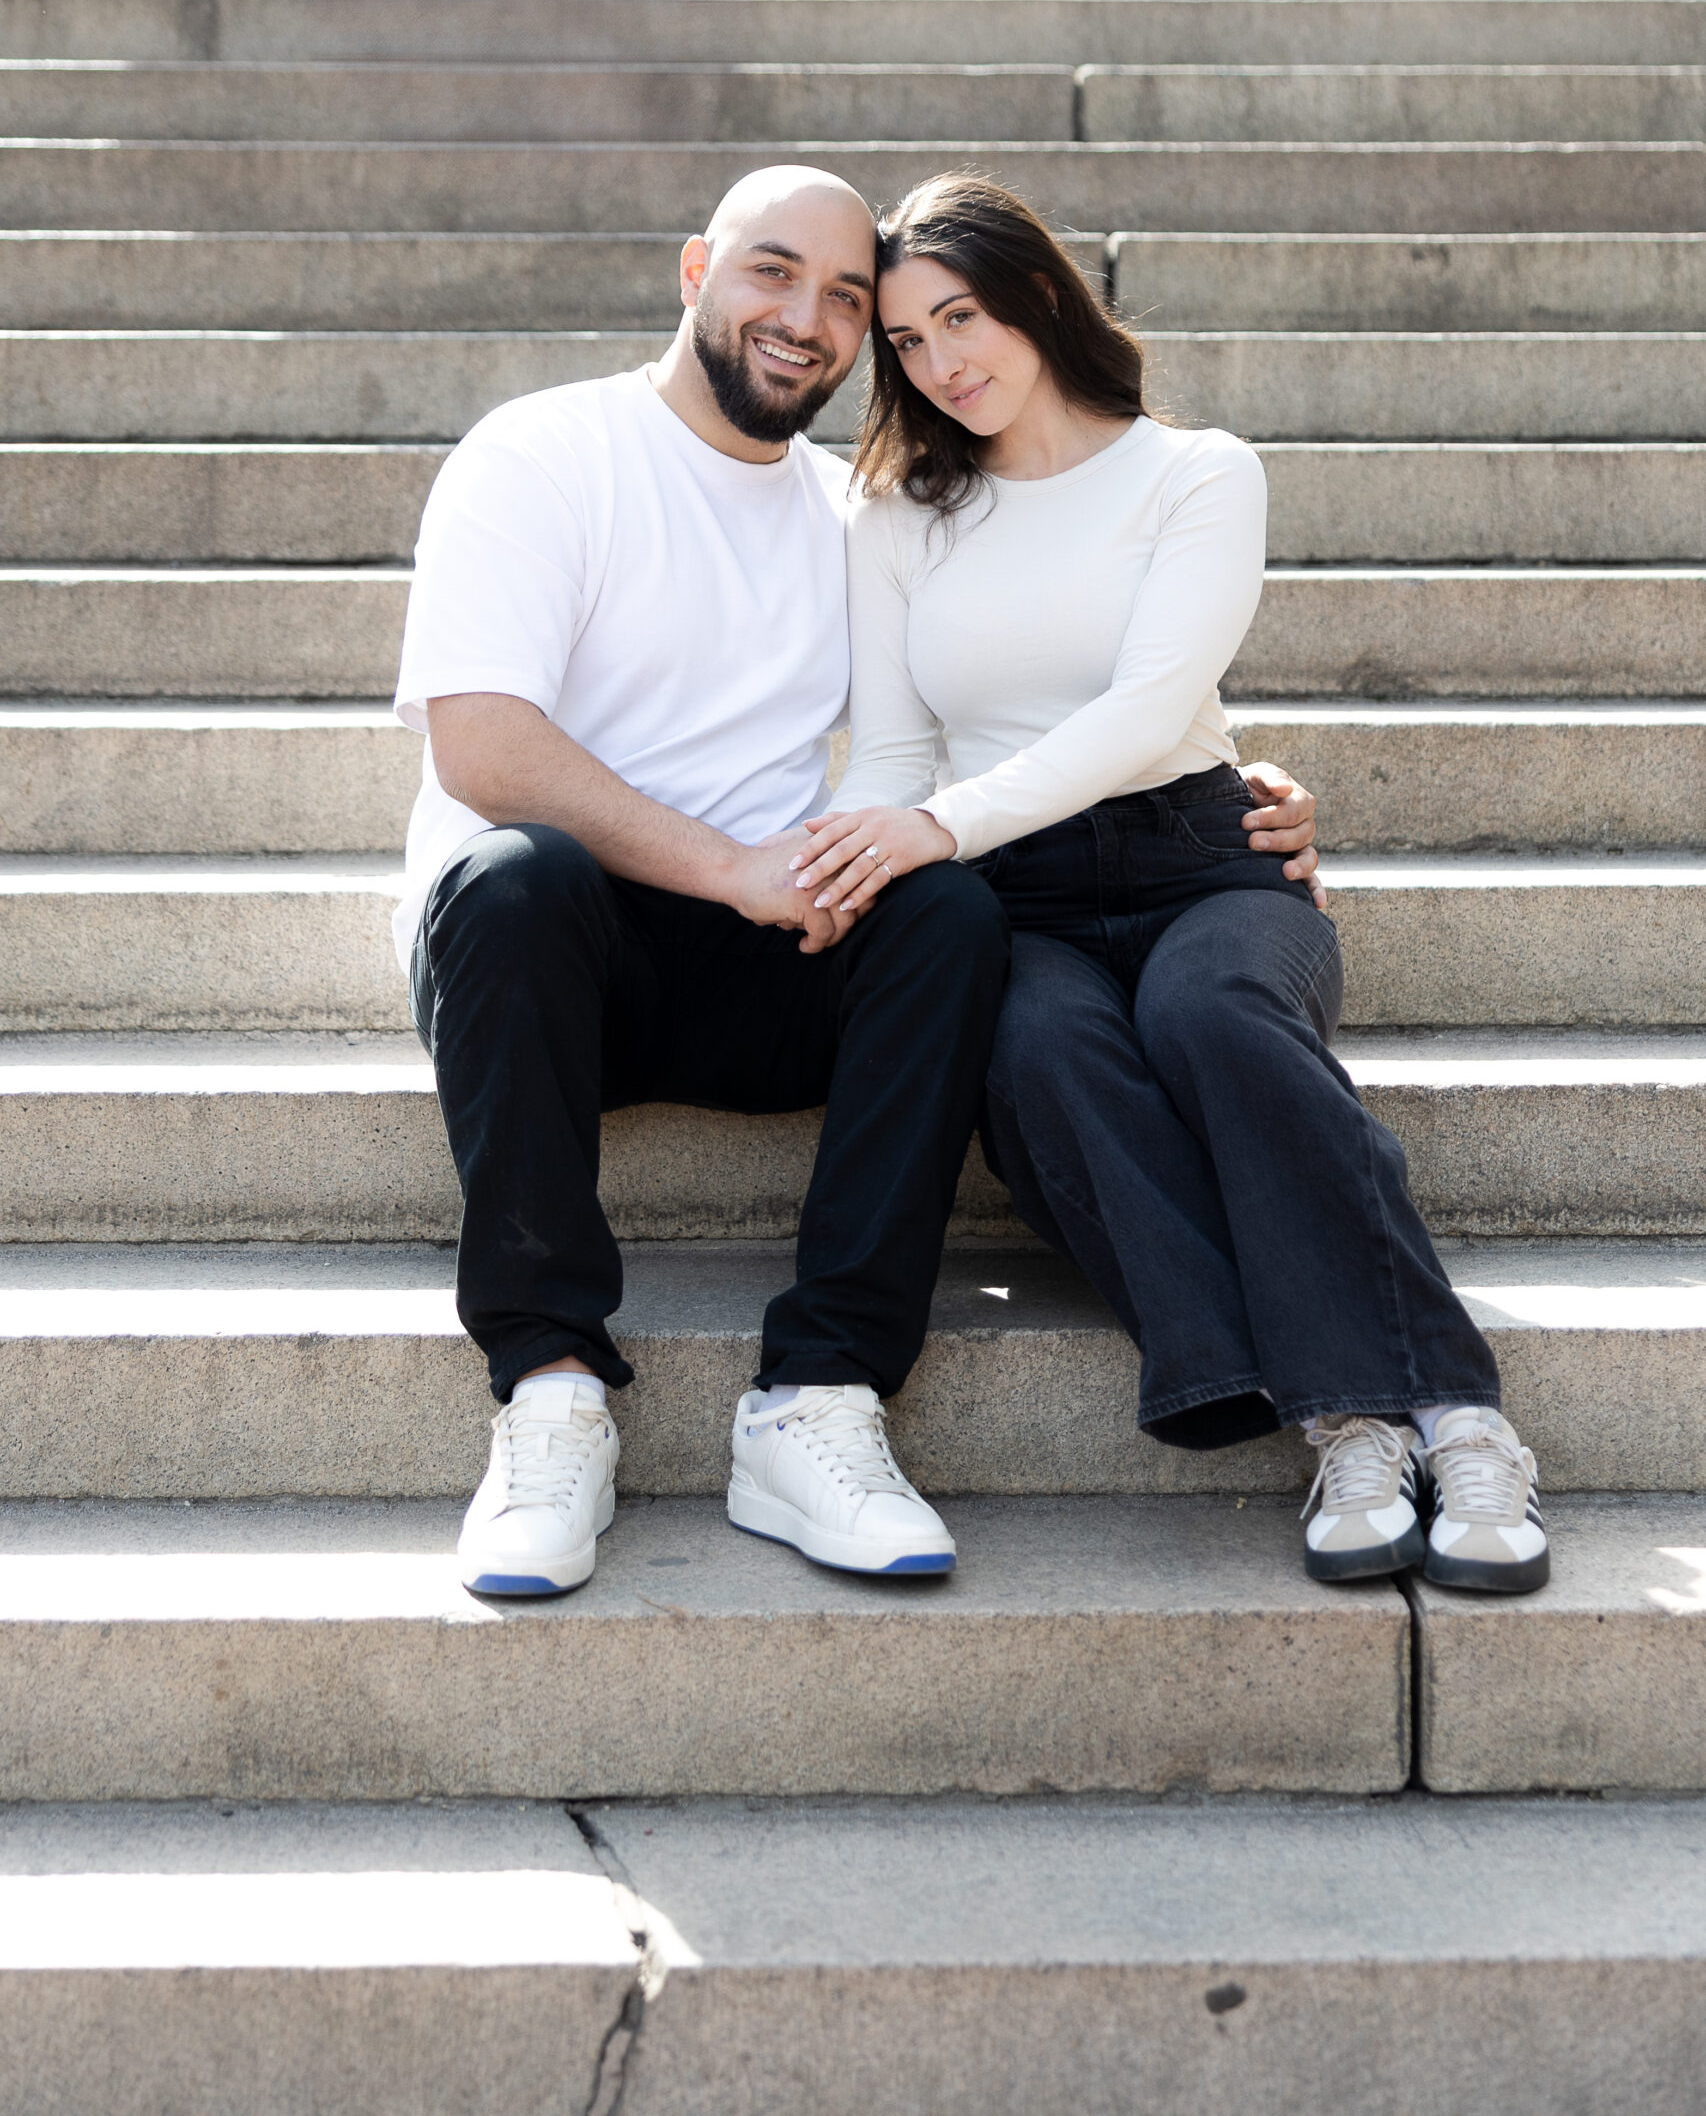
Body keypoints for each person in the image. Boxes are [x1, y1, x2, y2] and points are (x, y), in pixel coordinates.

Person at [393, 165, 1324, 1598]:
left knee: (944, 914)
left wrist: (1229, 788)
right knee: (516, 878)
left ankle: (818, 1399)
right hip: (554, 964)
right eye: (773, 272)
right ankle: (549, 1387)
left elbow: (997, 702)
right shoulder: (541, 453)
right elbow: (483, 748)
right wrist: (725, 868)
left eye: (846, 299)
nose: (806, 320)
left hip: (777, 945)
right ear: (696, 265)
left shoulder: (863, 511)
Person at [794, 173, 1549, 1596]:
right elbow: (890, 749)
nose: (938, 361)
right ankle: (1346, 1418)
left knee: (1210, 1021)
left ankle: (1459, 1417)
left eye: (959, 317)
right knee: (1035, 1052)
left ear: (1033, 297)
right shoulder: (895, 514)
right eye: (901, 341)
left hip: (1204, 857)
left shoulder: (1196, 472)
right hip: (1012, 896)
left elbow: (1151, 710)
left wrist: (934, 828)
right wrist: (845, 860)